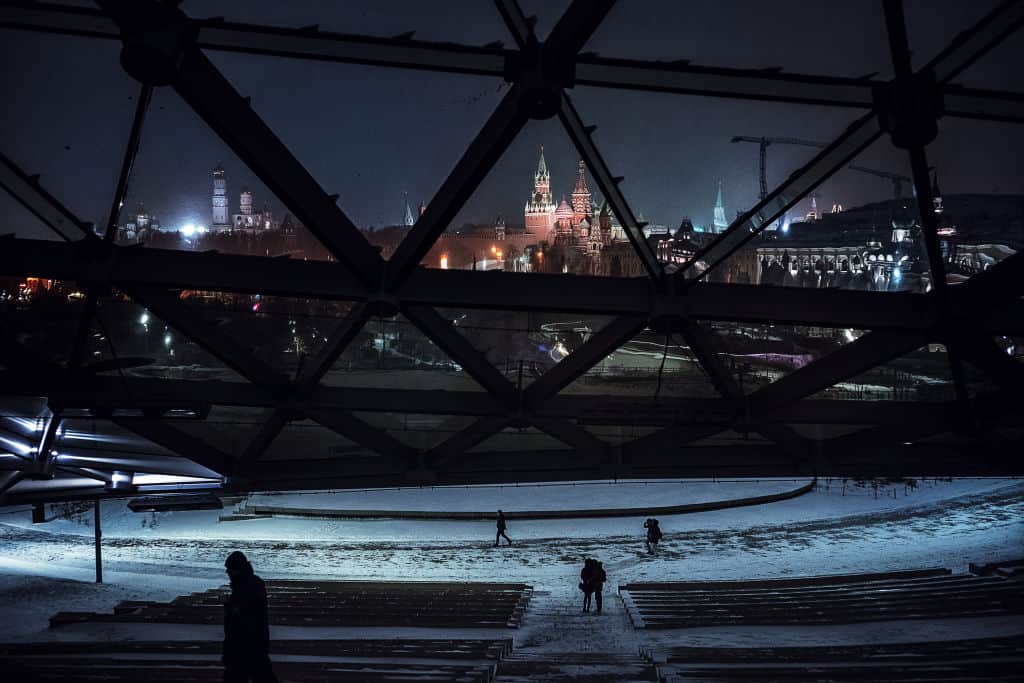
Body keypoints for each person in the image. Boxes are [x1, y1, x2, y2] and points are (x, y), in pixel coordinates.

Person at [223, 551, 278, 683]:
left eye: (230, 569)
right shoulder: (248, 584)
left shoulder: (248, 586)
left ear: (237, 569)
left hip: (248, 645)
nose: (227, 572)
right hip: (250, 645)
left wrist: (233, 608)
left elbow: (246, 617)